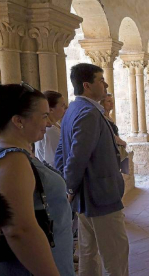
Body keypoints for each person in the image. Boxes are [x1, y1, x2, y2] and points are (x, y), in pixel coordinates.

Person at [55, 63, 129, 276]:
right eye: (100, 80)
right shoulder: (88, 113)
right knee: (116, 253)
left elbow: (62, 152)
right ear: (87, 85)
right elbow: (77, 157)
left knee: (89, 252)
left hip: (85, 197)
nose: (105, 84)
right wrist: (69, 187)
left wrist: (69, 186)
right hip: (100, 195)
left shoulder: (73, 110)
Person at [0, 84, 74, 275]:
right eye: (43, 116)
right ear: (18, 121)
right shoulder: (13, 159)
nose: (48, 123)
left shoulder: (20, 153)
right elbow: (19, 230)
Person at [35, 91, 66, 167]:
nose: (66, 109)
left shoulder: (56, 125)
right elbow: (54, 161)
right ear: (51, 110)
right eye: (62, 106)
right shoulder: (50, 131)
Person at [100, 94, 129, 174]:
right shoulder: (103, 118)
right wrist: (123, 142)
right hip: (110, 152)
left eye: (112, 101)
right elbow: (111, 135)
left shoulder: (109, 117)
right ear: (102, 103)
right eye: (108, 101)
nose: (111, 104)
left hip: (115, 151)